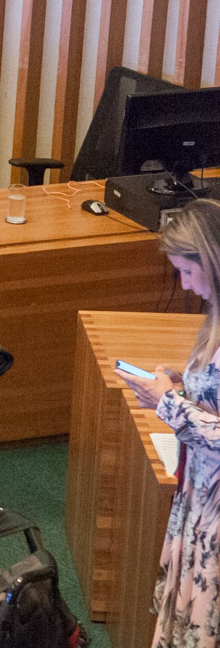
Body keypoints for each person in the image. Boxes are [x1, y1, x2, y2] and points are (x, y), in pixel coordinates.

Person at [115, 199, 220, 648]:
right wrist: (184, 386)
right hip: (199, 494)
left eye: (188, 271)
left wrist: (169, 403)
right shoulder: (216, 316)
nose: (185, 284)